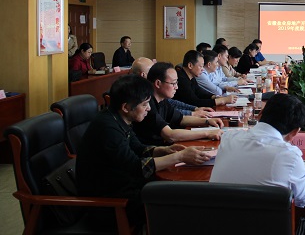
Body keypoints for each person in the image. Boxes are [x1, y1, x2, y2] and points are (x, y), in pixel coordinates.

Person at [76, 75, 212, 228]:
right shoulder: (108, 128)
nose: (149, 108)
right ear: (126, 107)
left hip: (123, 186)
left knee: (180, 192)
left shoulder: (119, 118)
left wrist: (164, 150)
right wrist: (179, 157)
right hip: (109, 204)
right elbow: (136, 167)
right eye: (145, 104)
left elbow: (139, 148)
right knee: (178, 201)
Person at [210, 93, 305, 208]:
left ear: (259, 114)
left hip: (214, 217)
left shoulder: (228, 138)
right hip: (262, 220)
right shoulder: (290, 156)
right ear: (295, 132)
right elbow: (304, 200)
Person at [132, 62, 224, 146]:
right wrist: (207, 133)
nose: (176, 87)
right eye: (173, 83)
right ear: (158, 83)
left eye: (177, 82)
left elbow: (181, 119)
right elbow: (170, 135)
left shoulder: (163, 100)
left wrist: (207, 121)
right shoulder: (148, 105)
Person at [132, 56, 216, 116]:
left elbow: (172, 105)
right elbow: (168, 131)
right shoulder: (143, 97)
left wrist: (195, 109)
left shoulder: (158, 95)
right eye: (151, 70)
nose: (176, 87)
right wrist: (194, 113)